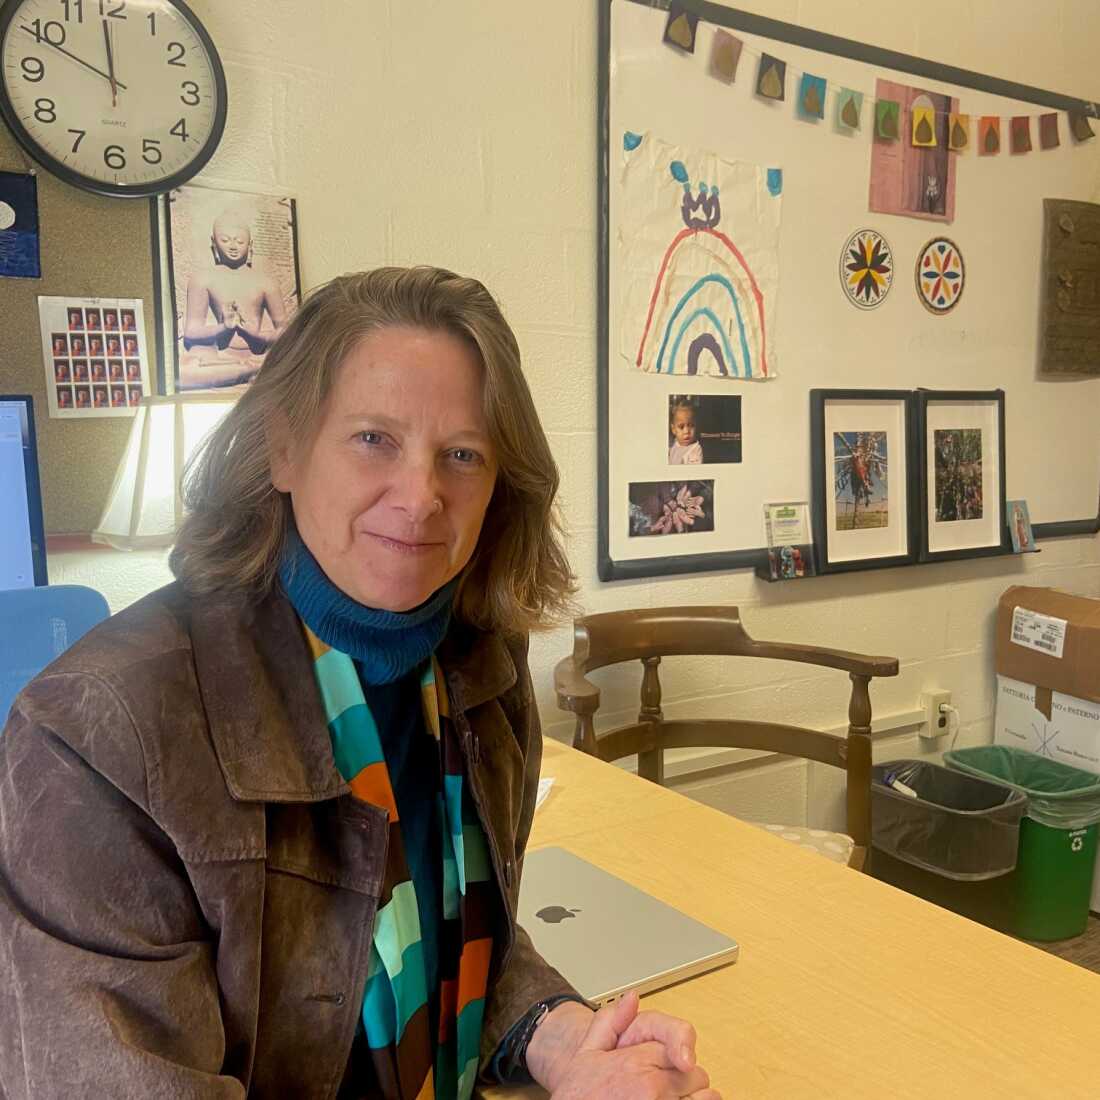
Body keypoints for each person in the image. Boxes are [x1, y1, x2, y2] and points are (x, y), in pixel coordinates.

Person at [0, 267, 719, 1100]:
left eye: (462, 454)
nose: (420, 498)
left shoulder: (479, 662)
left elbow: (441, 929)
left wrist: (561, 1039)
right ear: (283, 447)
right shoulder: (92, 737)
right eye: (373, 438)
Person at [182, 209, 289, 363]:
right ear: (213, 242)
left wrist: (257, 336)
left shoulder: (266, 281)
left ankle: (247, 370)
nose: (233, 246)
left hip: (258, 355)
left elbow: (286, 331)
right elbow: (191, 332)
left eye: (240, 241)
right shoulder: (202, 279)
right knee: (192, 361)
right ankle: (246, 371)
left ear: (250, 244)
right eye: (225, 240)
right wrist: (224, 328)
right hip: (221, 357)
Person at [668, 399, 703, 465]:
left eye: (691, 425)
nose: (686, 431)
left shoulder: (695, 450)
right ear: (673, 429)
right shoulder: (673, 444)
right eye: (681, 427)